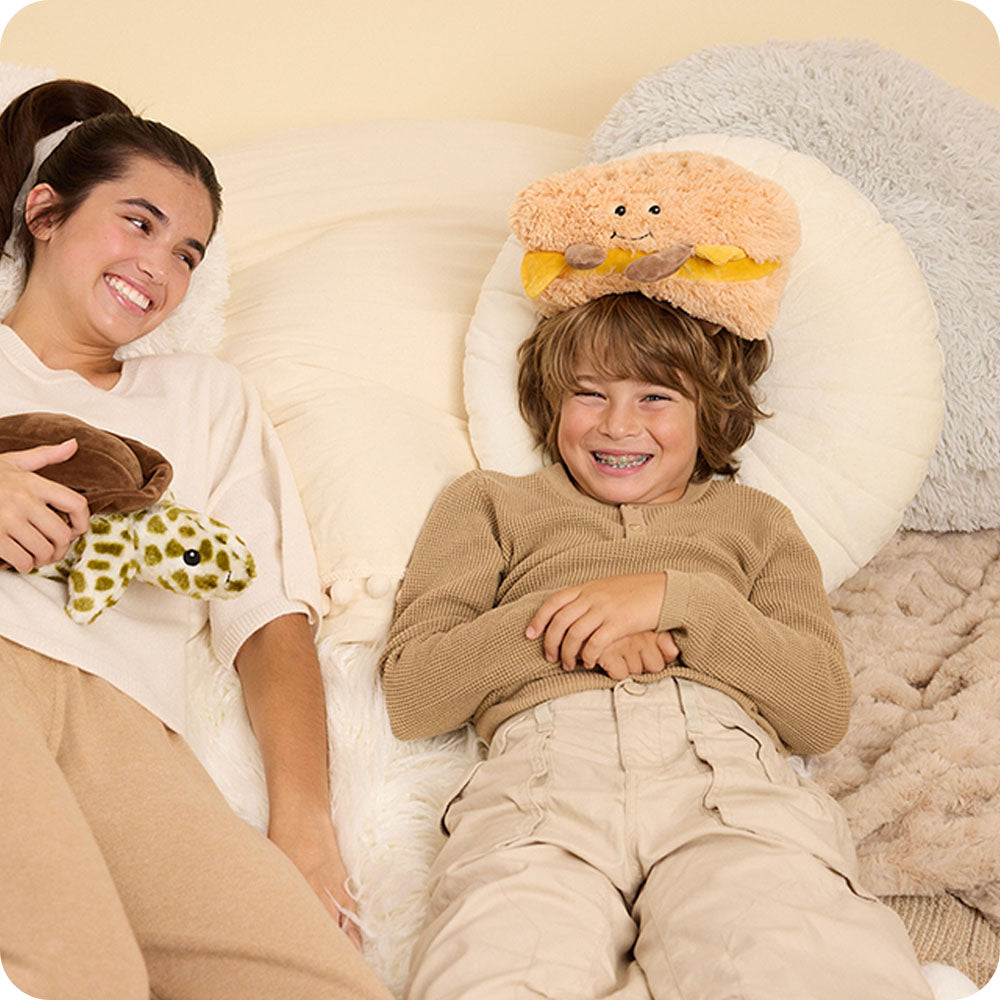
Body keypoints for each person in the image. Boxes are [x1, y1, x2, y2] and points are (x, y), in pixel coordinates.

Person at [380, 292, 934, 999]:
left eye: (655, 396)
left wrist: (676, 601)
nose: (617, 424)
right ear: (552, 402)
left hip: (727, 789)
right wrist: (580, 625)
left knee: (799, 959)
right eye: (589, 393)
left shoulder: (758, 521)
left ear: (710, 412)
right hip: (542, 793)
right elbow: (413, 692)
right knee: (496, 968)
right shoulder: (488, 502)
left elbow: (820, 710)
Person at [0, 79, 392, 1000]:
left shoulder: (206, 396)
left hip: (133, 731)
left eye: (186, 253)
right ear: (45, 213)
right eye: (137, 223)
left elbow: (266, 613)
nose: (159, 268)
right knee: (79, 975)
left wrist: (306, 826)